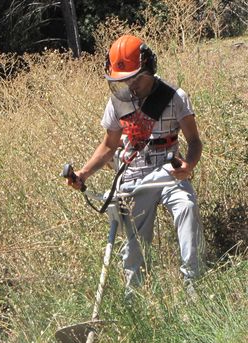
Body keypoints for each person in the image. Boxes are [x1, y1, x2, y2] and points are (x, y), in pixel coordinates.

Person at [67, 34, 205, 297]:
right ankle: (137, 301)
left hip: (169, 173)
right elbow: (109, 146)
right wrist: (83, 173)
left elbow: (195, 141)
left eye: (135, 78)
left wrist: (188, 165)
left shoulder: (175, 97)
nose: (130, 85)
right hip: (134, 178)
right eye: (123, 80)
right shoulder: (117, 102)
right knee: (134, 248)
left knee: (186, 207)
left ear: (150, 68)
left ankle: (193, 287)